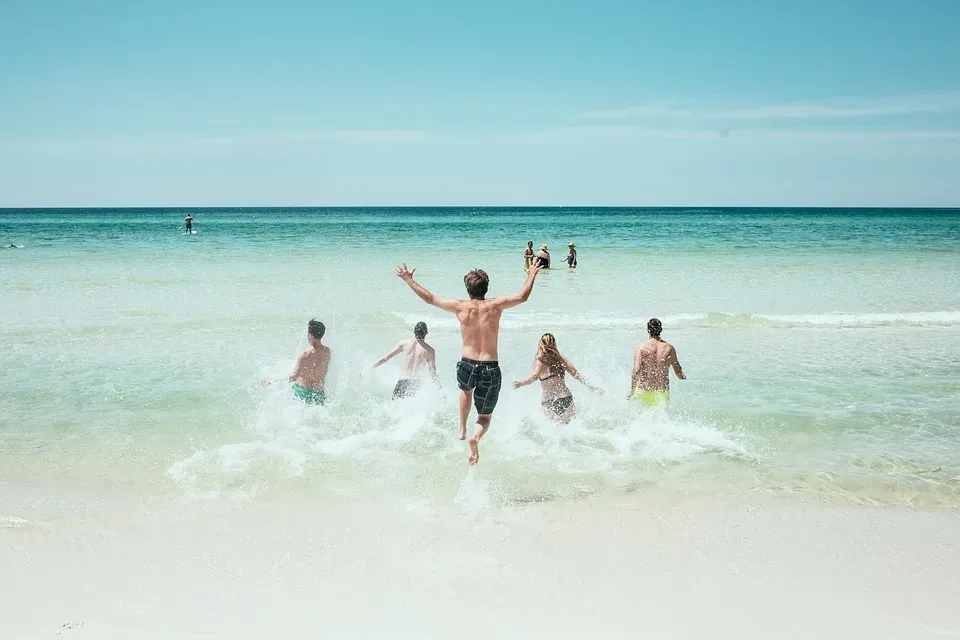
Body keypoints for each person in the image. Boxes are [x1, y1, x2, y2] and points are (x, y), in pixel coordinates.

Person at [396, 262, 542, 464]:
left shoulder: (460, 306)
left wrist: (408, 279)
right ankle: (475, 436)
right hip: (490, 366)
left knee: (465, 392)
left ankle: (462, 428)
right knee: (484, 417)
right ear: (486, 287)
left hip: (466, 364)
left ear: (468, 289)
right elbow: (523, 296)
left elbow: (429, 298)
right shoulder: (496, 305)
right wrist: (532, 274)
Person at [512, 333, 601, 423]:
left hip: (548, 401)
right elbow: (576, 374)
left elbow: (534, 377)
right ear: (554, 344)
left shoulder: (540, 361)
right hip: (565, 398)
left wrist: (520, 383)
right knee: (570, 427)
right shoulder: (560, 358)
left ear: (540, 344)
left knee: (551, 430)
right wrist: (591, 387)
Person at [262, 319, 331, 405]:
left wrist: (273, 382)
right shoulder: (327, 352)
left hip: (303, 391)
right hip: (318, 392)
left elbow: (294, 377)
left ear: (311, 335)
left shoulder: (305, 354)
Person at [373, 321, 438, 399]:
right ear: (426, 332)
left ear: (414, 331)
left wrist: (371, 367)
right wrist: (437, 386)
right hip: (415, 384)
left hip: (402, 382)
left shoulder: (404, 344)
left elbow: (386, 357)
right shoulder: (430, 350)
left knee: (394, 408)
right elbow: (432, 371)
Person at [629, 318, 685, 405]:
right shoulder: (669, 348)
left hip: (644, 391)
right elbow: (679, 372)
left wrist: (632, 391)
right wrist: (682, 376)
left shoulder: (641, 347)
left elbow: (636, 371)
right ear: (661, 330)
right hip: (662, 393)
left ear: (648, 330)